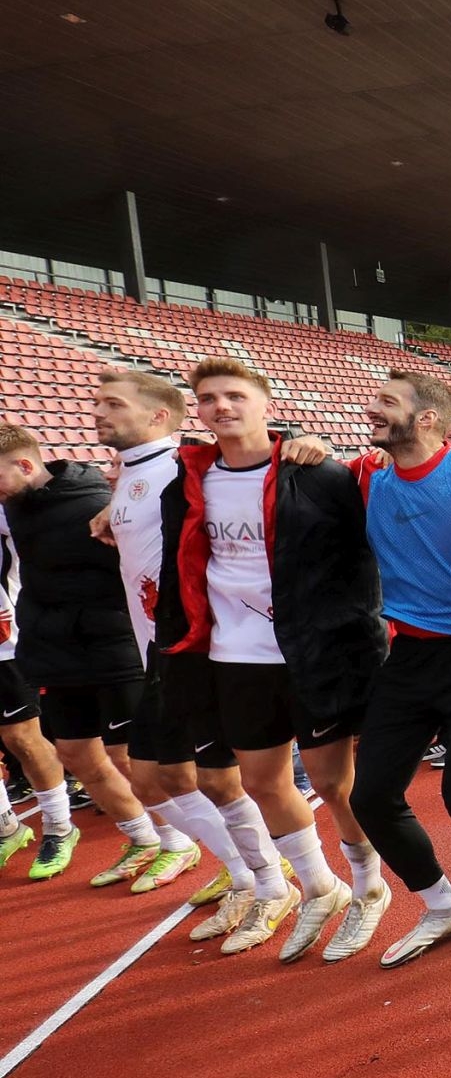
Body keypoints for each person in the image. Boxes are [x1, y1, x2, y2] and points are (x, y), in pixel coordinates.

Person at [287, 371, 451, 966]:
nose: (371, 409)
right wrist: (303, 444)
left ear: (427, 419)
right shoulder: (366, 476)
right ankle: (442, 905)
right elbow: (292, 484)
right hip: (410, 656)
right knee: (370, 796)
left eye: (386, 403)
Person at [158, 358, 387, 960]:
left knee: (334, 785)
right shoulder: (187, 484)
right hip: (233, 656)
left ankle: (369, 886)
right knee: (262, 782)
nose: (222, 407)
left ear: (265, 404)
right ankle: (320, 888)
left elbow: (363, 556)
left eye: (235, 395)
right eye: (209, 398)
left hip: (310, 653)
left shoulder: (317, 475)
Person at [89, 368, 283, 912]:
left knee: (190, 778)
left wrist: (306, 445)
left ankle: (264, 877)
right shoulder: (134, 475)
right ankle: (249, 869)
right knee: (156, 778)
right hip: (157, 649)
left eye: (113, 404)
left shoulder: (183, 468)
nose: (99, 413)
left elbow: (244, 473)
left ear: (158, 416)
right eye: (98, 403)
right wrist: (110, 512)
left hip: (195, 648)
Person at [0, 422, 168, 882]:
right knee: (76, 754)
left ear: (26, 465)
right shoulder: (14, 505)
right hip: (55, 648)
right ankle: (143, 838)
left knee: (130, 758)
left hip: (112, 644)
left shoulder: (90, 501)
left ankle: (180, 843)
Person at [0, 509, 60, 873]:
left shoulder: (8, 504)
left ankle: (59, 827)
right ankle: (7, 827)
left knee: (22, 738)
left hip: (5, 642)